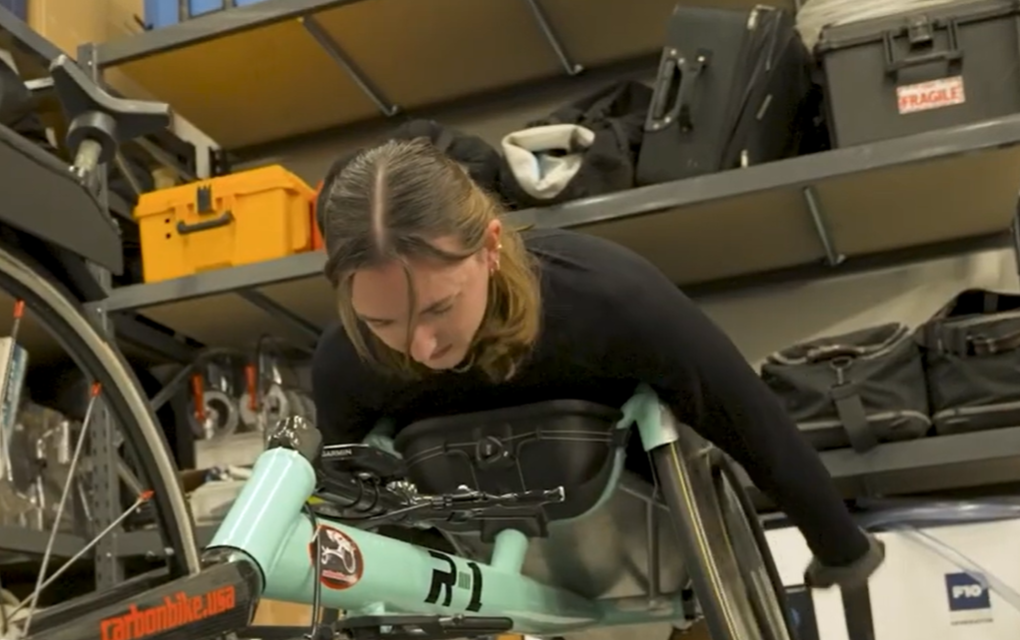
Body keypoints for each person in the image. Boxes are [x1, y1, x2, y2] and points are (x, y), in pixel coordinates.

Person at [309, 136, 884, 590]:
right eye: (384, 323)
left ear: (488, 247)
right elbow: (360, 502)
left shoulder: (610, 298)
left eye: (440, 308)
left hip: (641, 528)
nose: (422, 347)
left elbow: (747, 418)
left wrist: (839, 548)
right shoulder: (347, 363)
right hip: (473, 531)